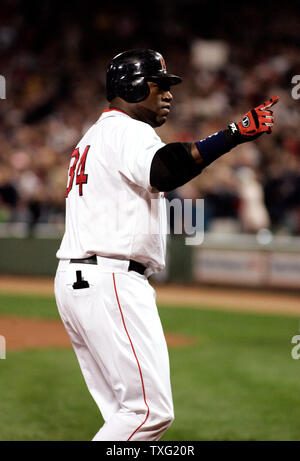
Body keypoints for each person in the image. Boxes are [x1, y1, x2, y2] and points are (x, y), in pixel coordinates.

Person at [54, 49, 278, 441]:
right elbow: (165, 170)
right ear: (134, 86)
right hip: (110, 279)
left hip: (85, 279)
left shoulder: (96, 134)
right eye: (162, 85)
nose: (170, 94)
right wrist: (233, 133)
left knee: (125, 415)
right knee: (148, 414)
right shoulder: (127, 130)